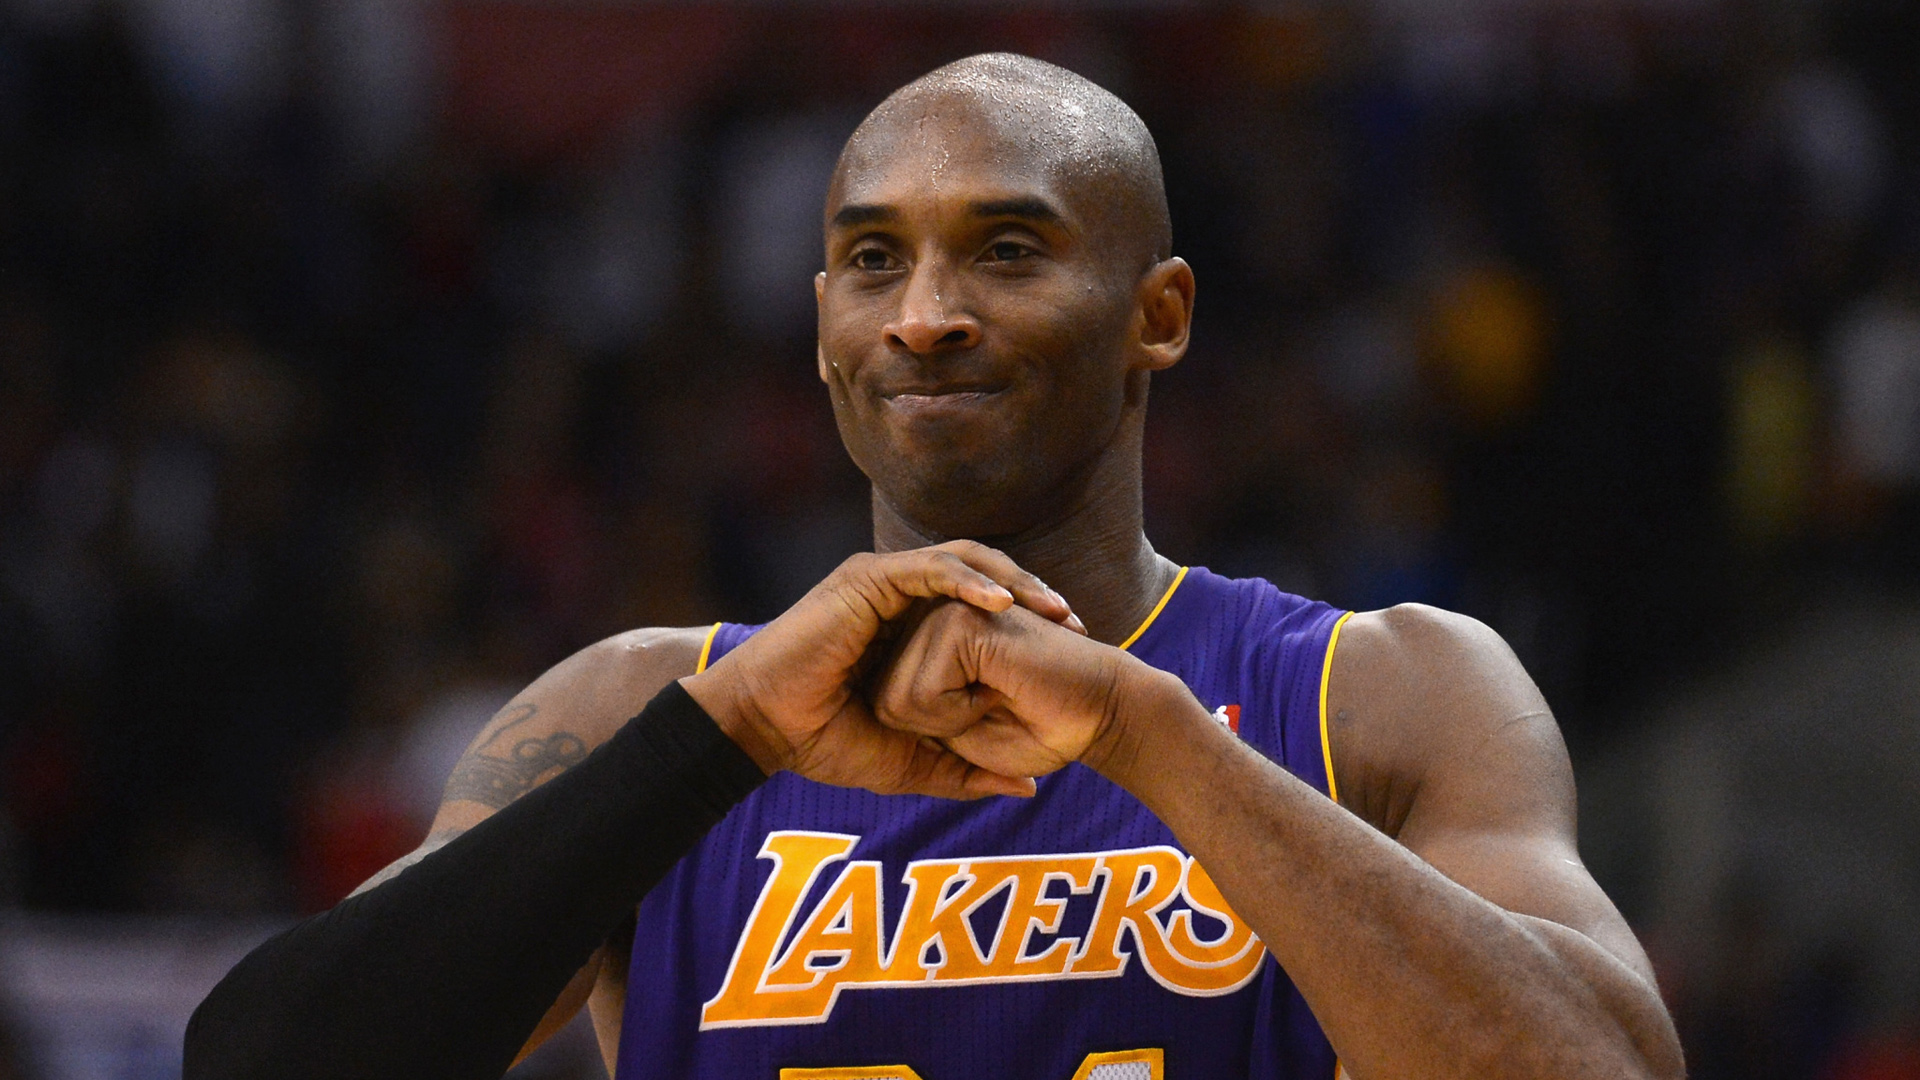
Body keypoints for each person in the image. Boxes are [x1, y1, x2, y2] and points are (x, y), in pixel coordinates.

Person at [185, 53, 1684, 1080]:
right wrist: (724, 737)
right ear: (821, 323)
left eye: (1008, 251)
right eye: (873, 260)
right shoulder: (646, 710)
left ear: (1158, 315)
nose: (923, 316)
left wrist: (1149, 736)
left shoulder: (1382, 690)